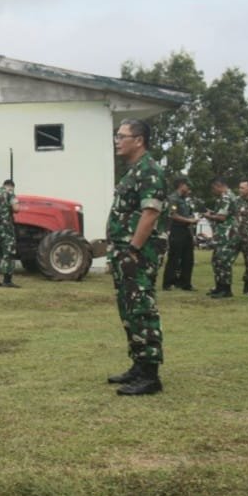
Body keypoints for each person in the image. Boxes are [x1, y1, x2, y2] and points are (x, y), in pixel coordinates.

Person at [105, 119, 168, 396]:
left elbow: (151, 213)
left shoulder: (150, 171)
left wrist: (133, 249)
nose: (117, 140)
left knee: (142, 307)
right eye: (117, 136)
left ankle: (150, 375)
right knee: (129, 309)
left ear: (139, 140)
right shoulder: (134, 171)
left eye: (122, 136)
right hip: (124, 253)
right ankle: (139, 365)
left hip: (139, 254)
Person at [161, 177, 198, 291]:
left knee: (188, 258)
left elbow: (189, 215)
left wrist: (192, 224)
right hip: (176, 230)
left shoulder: (185, 200)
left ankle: (185, 283)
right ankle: (168, 283)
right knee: (174, 257)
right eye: (188, 186)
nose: (189, 189)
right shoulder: (173, 199)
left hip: (186, 231)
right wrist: (189, 221)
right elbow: (173, 215)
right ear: (181, 185)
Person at [203, 177, 237, 298]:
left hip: (226, 234)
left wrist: (208, 216)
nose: (213, 191)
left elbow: (222, 218)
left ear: (219, 185)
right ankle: (219, 286)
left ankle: (225, 289)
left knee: (223, 261)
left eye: (213, 188)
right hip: (222, 234)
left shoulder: (226, 197)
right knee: (217, 260)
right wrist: (212, 213)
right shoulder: (225, 197)